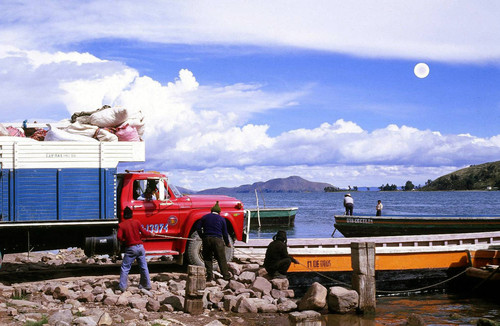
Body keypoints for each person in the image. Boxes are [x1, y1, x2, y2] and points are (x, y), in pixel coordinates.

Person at [117, 206, 155, 291]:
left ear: (124, 215)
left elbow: (119, 237)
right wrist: (151, 234)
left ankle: (122, 286)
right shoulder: (137, 222)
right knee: (144, 267)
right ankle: (147, 285)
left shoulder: (121, 225)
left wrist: (124, 240)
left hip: (131, 248)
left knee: (125, 268)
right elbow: (144, 232)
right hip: (140, 247)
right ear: (131, 214)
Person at [197, 201, 232, 281]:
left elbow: (198, 228)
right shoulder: (222, 219)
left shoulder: (205, 217)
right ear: (219, 212)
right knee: (221, 258)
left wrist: (202, 236)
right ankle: (226, 276)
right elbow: (225, 233)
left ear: (211, 211)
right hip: (218, 240)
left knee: (207, 258)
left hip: (207, 239)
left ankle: (210, 277)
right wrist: (227, 243)